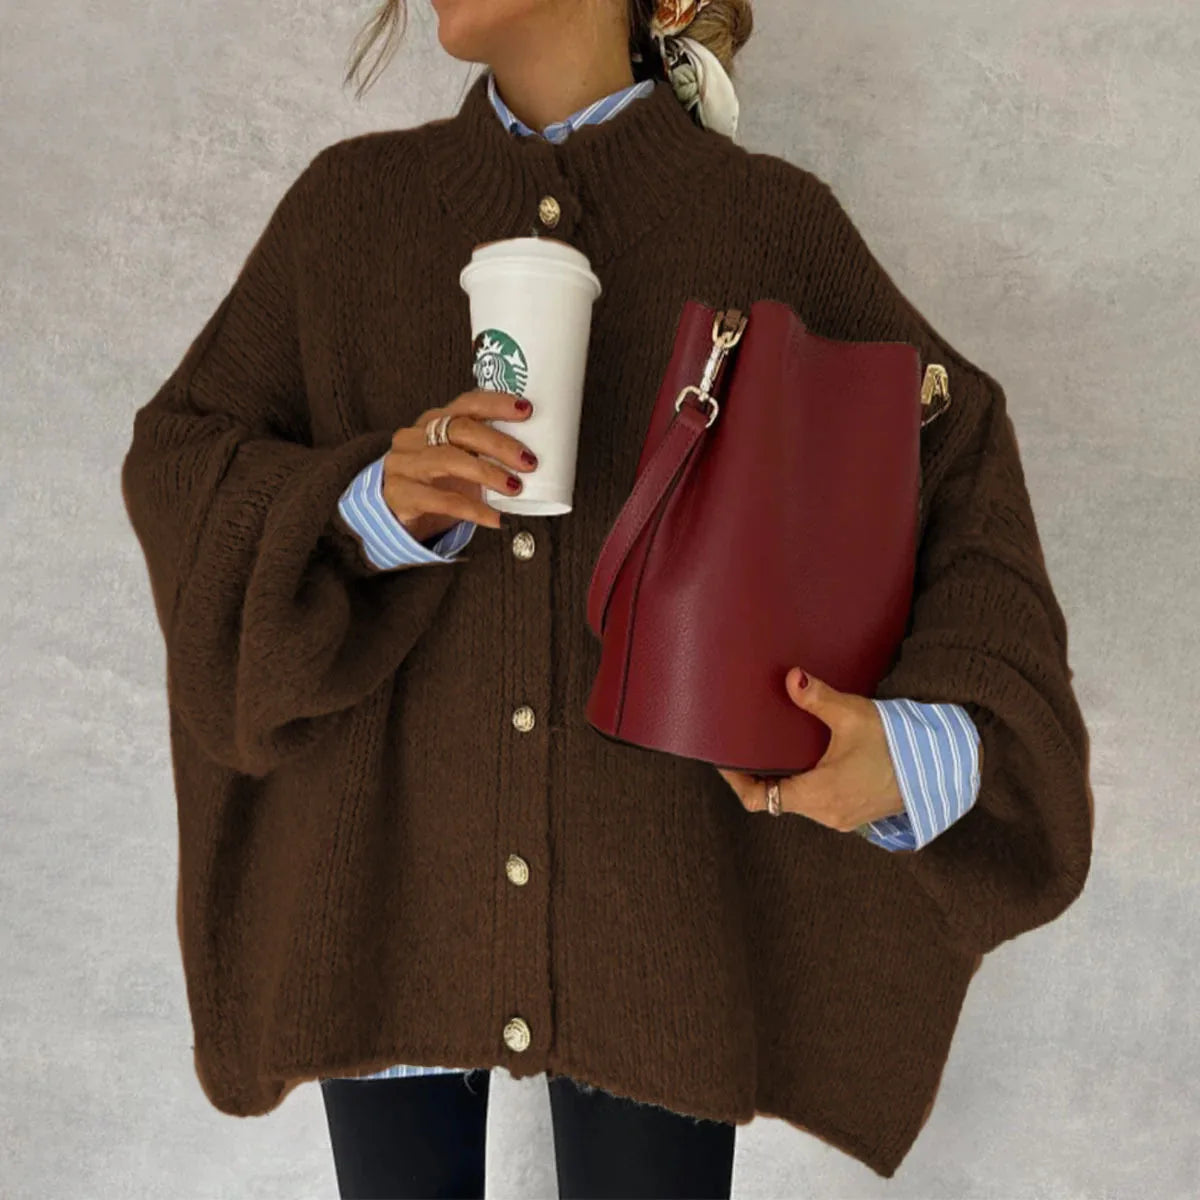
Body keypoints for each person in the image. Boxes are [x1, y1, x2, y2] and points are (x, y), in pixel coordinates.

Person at [120, 0, 1094, 1197]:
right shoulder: (348, 214)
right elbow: (180, 462)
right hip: (380, 893)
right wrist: (365, 503)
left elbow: (956, 463)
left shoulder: (768, 226)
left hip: (660, 915)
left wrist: (915, 748)